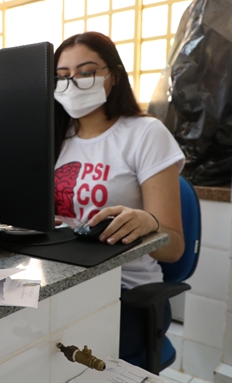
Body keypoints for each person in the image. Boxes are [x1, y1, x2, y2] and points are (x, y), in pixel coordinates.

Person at [52, 31, 185, 360]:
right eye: (63, 76)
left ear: (113, 76)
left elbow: (175, 248)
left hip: (126, 290)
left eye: (86, 72)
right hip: (62, 280)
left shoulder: (144, 133)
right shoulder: (54, 138)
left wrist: (150, 223)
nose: (73, 83)